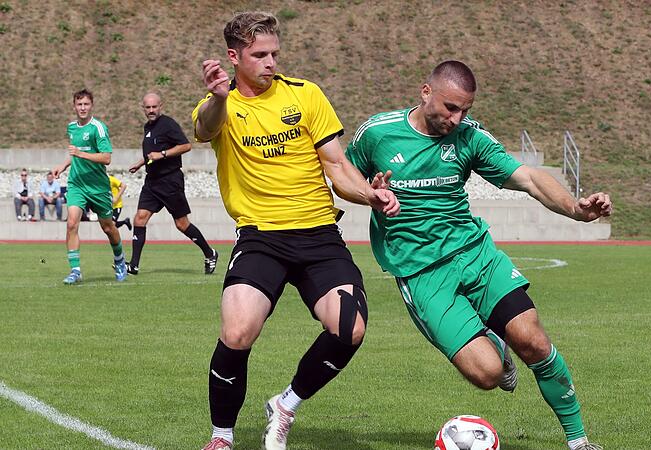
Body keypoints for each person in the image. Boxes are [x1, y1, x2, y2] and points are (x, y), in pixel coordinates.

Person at [346, 60, 610, 450]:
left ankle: (579, 441)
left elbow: (528, 178)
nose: (457, 118)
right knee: (487, 375)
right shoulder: (378, 134)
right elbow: (341, 176)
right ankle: (497, 348)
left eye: (465, 110)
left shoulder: (469, 137)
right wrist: (369, 192)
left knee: (534, 341)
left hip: (475, 254)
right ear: (425, 92)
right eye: (450, 108)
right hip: (421, 274)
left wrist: (576, 208)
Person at [192, 12, 399, 450]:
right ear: (234, 57)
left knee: (350, 329)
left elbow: (337, 166)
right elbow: (205, 128)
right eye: (259, 55)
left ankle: (285, 404)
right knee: (237, 331)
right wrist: (217, 97)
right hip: (261, 237)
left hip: (319, 236)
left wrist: (369, 195)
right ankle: (222, 435)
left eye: (274, 54)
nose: (270, 63)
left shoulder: (305, 95)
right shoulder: (221, 106)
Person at [126, 92, 218, 275]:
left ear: (161, 106)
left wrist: (163, 154)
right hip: (152, 182)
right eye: (148, 107)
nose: (151, 110)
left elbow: (186, 146)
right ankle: (133, 266)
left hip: (170, 181)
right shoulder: (148, 127)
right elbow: (152, 152)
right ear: (142, 108)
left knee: (182, 224)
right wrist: (141, 162)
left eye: (154, 107)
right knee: (140, 218)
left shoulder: (168, 124)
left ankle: (210, 253)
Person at [53, 88, 127, 284]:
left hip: (98, 187)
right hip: (77, 184)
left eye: (86, 104)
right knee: (71, 224)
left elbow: (106, 158)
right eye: (79, 104)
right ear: (74, 106)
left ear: (91, 105)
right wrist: (63, 165)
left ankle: (120, 260)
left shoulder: (98, 128)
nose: (83, 108)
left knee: (108, 227)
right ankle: (75, 271)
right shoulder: (72, 127)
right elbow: (75, 153)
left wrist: (80, 154)